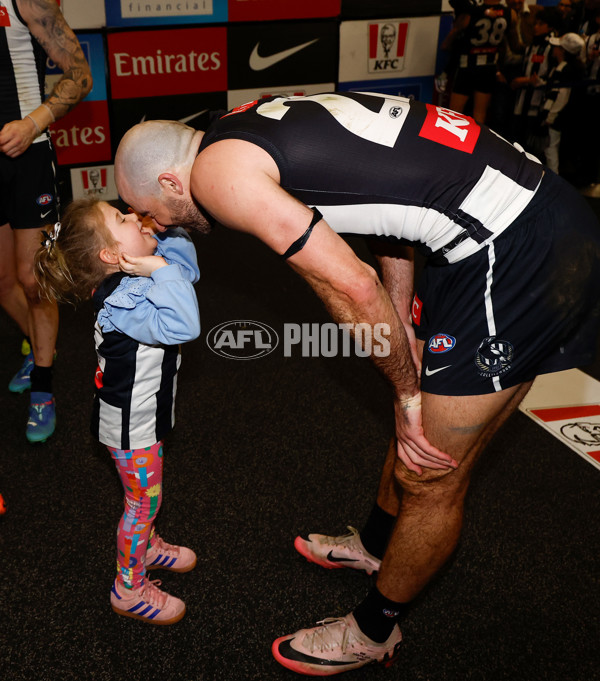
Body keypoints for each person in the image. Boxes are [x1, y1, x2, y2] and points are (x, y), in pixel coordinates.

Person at [114, 92, 600, 674]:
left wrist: (407, 393)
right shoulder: (236, 124)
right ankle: (375, 548)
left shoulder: (218, 178)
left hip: (517, 248)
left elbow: (352, 287)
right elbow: (381, 210)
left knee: (431, 470)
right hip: (497, 228)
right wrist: (403, 330)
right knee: (421, 433)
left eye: (151, 212)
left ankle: (374, 633)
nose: (157, 226)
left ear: (172, 181)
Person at [34, 198, 201, 624]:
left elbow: (188, 273)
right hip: (131, 428)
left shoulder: (135, 275)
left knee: (147, 500)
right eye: (121, 218)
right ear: (112, 257)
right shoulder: (125, 300)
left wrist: (166, 230)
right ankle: (128, 588)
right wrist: (160, 268)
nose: (133, 216)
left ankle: (146, 546)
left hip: (146, 413)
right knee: (142, 503)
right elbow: (185, 323)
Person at [0, 0, 92, 442]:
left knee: (34, 281)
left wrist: (32, 123)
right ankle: (37, 349)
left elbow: (80, 75)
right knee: (2, 283)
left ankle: (43, 386)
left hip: (27, 157)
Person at [440, 0, 521, 123]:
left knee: (454, 113)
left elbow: (449, 40)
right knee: (480, 114)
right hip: (489, 67)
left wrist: (448, 45)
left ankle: (448, 141)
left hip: (468, 66)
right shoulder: (510, 14)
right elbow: (515, 44)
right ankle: (476, 141)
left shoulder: (470, 14)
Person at [538, 32, 586, 174]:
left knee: (551, 147)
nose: (554, 49)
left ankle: (553, 180)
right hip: (563, 115)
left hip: (559, 116)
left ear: (563, 50)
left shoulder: (565, 68)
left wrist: (550, 117)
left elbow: (561, 96)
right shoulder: (564, 67)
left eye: (557, 47)